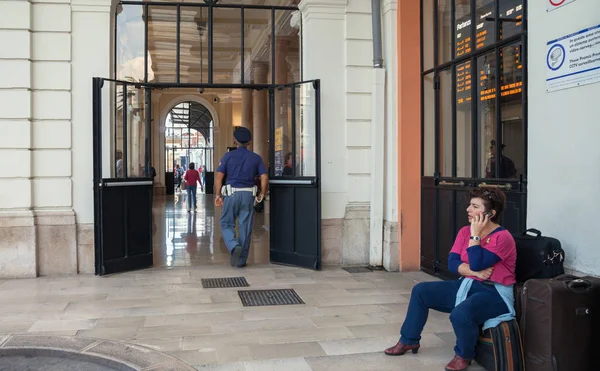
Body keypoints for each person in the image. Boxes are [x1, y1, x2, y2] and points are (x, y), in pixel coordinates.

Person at [384, 187, 517, 371]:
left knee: (460, 314)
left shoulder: (503, 238)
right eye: (469, 205)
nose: (468, 209)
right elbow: (453, 263)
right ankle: (409, 340)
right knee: (421, 291)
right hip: (468, 284)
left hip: (494, 292)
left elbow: (477, 262)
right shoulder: (464, 231)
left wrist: (475, 235)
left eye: (475, 206)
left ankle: (464, 355)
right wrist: (475, 273)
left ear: (490, 213)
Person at [214, 127, 268, 268]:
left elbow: (219, 177)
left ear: (235, 141)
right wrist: (262, 193)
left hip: (231, 194)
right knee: (245, 227)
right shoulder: (256, 158)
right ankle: (241, 260)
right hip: (248, 195)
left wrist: (218, 195)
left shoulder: (227, 156)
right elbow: (264, 177)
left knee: (226, 223)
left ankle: (233, 245)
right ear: (249, 142)